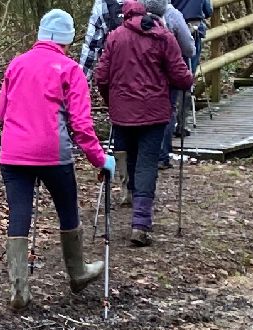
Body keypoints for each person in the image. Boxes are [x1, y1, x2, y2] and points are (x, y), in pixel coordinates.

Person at [0, 9, 117, 311]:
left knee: (19, 213)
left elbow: (1, 113)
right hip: (52, 153)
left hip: (13, 153)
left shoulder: (16, 64)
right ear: (67, 39)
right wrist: (100, 159)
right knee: (66, 208)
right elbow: (81, 125)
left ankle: (19, 289)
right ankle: (77, 273)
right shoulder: (70, 69)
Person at [94, 0, 194, 247]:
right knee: (147, 164)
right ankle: (140, 223)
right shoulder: (163, 36)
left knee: (128, 155)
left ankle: (127, 192)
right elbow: (180, 75)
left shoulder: (115, 37)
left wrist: (111, 101)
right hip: (154, 113)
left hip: (123, 113)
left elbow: (101, 77)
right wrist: (187, 81)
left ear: (125, 15)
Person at [142, 0, 194, 170]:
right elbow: (188, 48)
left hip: (142, 74)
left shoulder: (134, 20)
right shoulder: (174, 16)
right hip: (168, 74)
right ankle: (161, 155)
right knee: (167, 111)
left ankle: (144, 154)